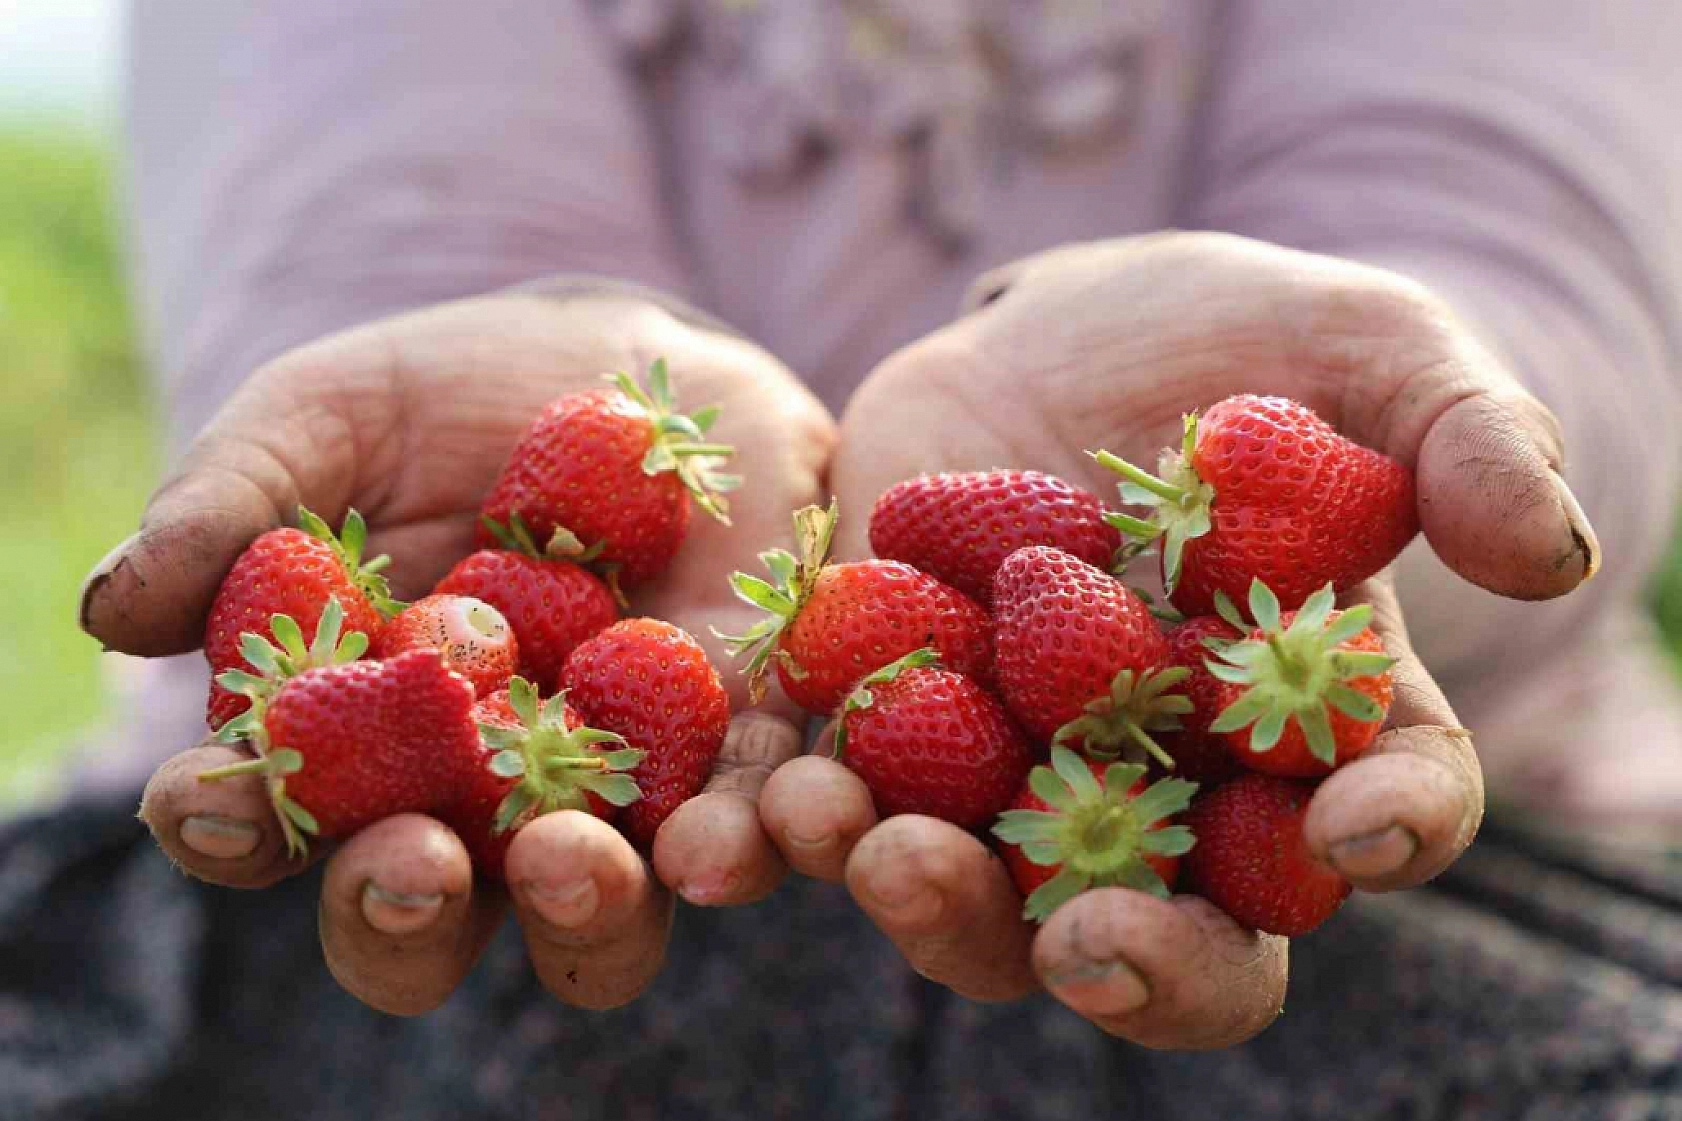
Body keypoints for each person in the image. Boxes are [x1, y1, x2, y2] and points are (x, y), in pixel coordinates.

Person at [6, 0, 1682, 1117]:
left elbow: (1537, 275)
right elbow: (381, 237)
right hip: (399, 851)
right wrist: (523, 373)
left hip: (1428, 840)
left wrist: (1354, 485)